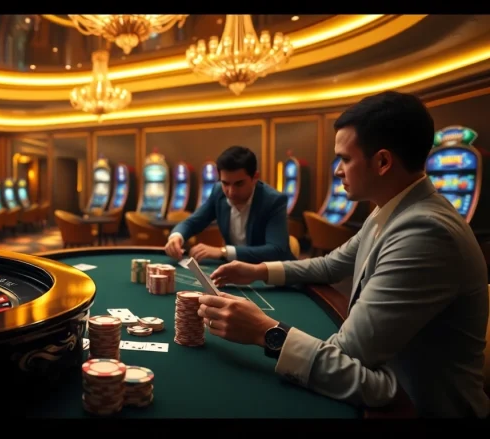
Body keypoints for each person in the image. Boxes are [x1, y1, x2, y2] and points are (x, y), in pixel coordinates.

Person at [198, 91, 489, 418]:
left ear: (382, 162)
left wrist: (264, 331)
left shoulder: (425, 232)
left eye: (345, 160)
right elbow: (330, 264)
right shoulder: (392, 212)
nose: (337, 171)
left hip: (416, 408)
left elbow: (346, 356)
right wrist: (258, 270)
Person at [164, 146, 294, 264]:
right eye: (225, 183)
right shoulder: (218, 192)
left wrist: (224, 252)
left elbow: (276, 251)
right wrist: (176, 237)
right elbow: (192, 223)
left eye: (239, 184)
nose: (231, 192)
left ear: (255, 177)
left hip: (273, 277)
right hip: (237, 271)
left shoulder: (274, 201)